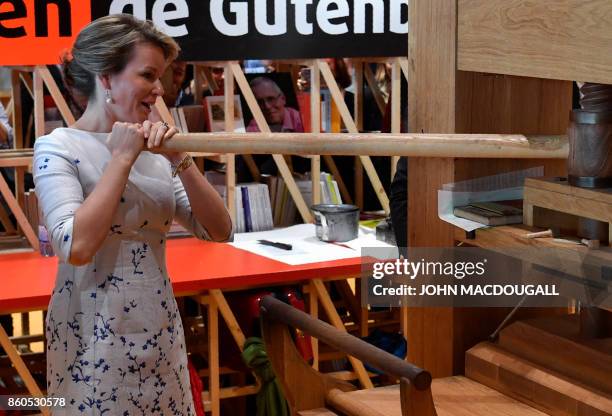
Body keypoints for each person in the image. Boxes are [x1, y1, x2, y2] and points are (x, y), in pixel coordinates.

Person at [33, 14, 232, 414]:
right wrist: (122, 157)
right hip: (91, 335)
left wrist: (180, 158)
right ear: (106, 78)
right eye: (147, 75)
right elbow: (76, 247)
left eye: (160, 77)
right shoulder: (57, 146)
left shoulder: (157, 152)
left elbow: (219, 230)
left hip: (159, 327)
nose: (159, 89)